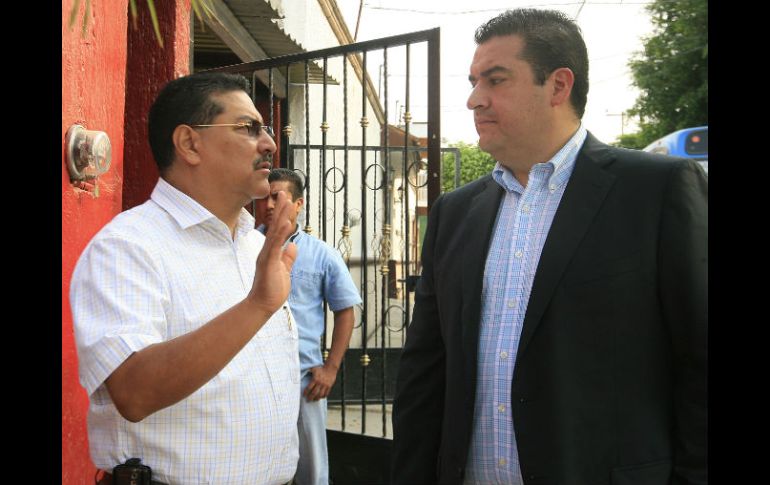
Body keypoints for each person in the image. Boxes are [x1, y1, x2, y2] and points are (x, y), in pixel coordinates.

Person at [391, 8, 707, 485]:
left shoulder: (656, 191)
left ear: (559, 86)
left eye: (495, 80)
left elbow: (699, 361)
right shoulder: (455, 213)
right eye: (474, 81)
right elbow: (425, 371)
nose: (475, 99)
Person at [70, 72, 302, 484]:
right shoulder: (128, 246)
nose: (269, 144)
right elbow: (134, 392)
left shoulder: (254, 247)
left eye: (265, 129)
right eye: (248, 128)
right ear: (190, 144)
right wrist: (257, 306)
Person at [255, 168, 362, 485]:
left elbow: (345, 310)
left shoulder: (322, 254)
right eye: (264, 197)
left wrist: (330, 368)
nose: (269, 204)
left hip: (304, 379)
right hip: (251, 376)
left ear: (298, 204)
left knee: (311, 470)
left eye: (277, 196)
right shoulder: (243, 247)